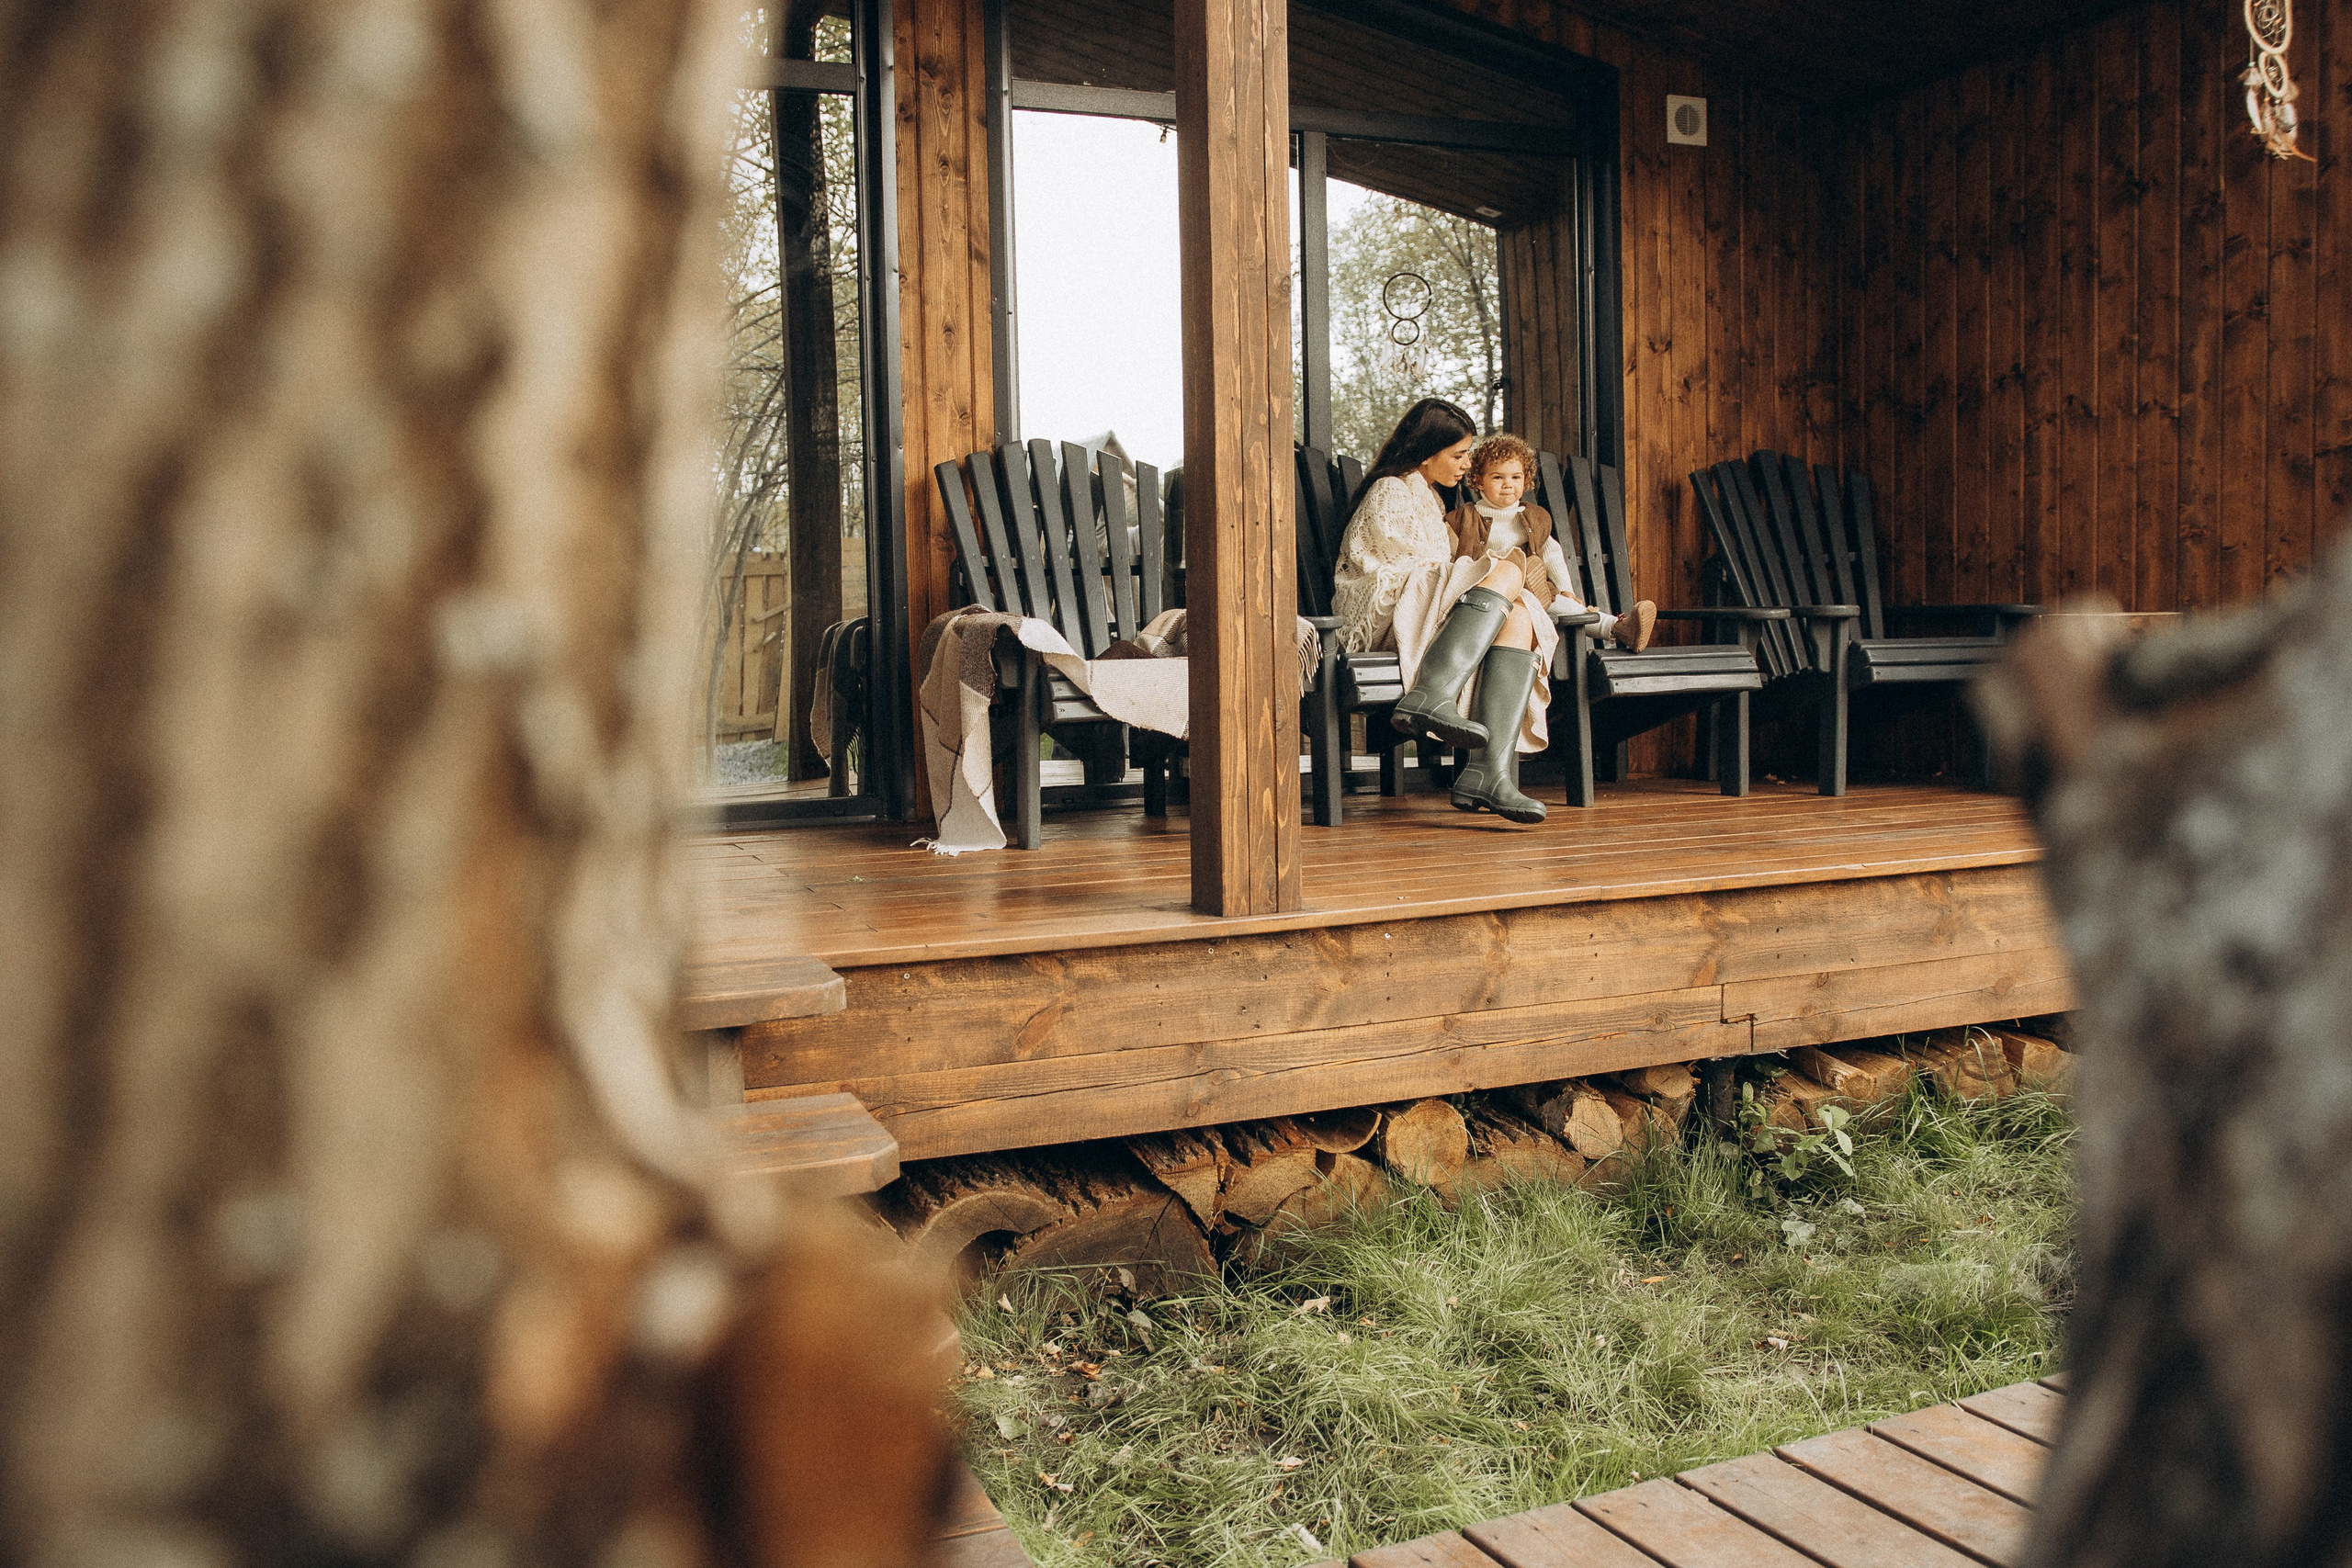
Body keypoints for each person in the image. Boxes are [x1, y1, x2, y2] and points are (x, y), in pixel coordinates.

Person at [1330, 398, 1555, 824]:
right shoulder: (1391, 490)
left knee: (1521, 614)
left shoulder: (1431, 499)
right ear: (1426, 452)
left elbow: (1439, 567)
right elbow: (1395, 571)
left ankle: (1487, 773)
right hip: (1387, 614)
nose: (1466, 465)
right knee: (1510, 569)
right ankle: (1431, 694)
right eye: (1458, 455)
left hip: (1427, 607)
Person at [1444, 433, 1657, 654]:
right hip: (1487, 595)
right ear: (1479, 481)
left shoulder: (1535, 518)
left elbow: (1551, 554)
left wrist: (1565, 589)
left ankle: (1620, 628)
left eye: (1516, 477)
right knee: (1532, 590)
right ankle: (1532, 586)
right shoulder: (1463, 520)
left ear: (1526, 480)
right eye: (1498, 478)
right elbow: (1449, 559)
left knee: (1561, 603)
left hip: (1528, 593)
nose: (1508, 485)